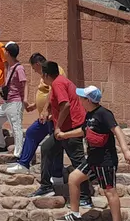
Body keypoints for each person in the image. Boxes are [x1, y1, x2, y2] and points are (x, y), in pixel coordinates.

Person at [57, 86, 130, 221]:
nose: (79, 100)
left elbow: (117, 130)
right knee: (73, 178)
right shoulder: (89, 115)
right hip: (92, 160)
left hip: (105, 161)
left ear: (88, 100)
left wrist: (126, 150)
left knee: (109, 191)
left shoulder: (104, 114)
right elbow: (84, 131)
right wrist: (64, 135)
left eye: (82, 98)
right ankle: (75, 213)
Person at [31, 60, 88, 202]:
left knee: (78, 161)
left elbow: (66, 105)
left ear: (46, 75)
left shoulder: (58, 84)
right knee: (47, 148)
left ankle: (85, 196)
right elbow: (54, 100)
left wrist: (58, 127)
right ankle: (46, 186)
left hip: (71, 128)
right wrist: (48, 112)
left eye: (42, 75)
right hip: (64, 129)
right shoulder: (58, 82)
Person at [7, 53, 62, 177]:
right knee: (32, 133)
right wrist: (36, 105)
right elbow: (45, 93)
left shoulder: (55, 71)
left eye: (34, 68)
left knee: (56, 143)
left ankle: (57, 174)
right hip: (44, 117)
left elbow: (54, 91)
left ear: (37, 64)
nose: (34, 71)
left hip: (52, 116)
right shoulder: (44, 75)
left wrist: (46, 110)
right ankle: (23, 164)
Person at [0, 42, 27, 156]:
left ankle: (19, 153)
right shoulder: (9, 67)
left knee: (16, 127)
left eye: (5, 50)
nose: (3, 52)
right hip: (7, 102)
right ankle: (1, 144)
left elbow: (25, 83)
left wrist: (25, 99)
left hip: (15, 102)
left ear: (8, 53)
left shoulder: (19, 68)